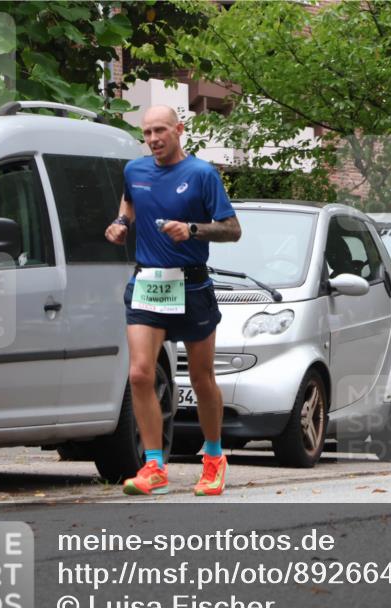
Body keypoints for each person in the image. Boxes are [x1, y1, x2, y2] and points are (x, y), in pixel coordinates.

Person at [104, 105, 241, 496]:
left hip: (192, 286)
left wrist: (193, 229)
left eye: (160, 130)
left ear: (179, 129)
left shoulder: (201, 174)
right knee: (140, 374)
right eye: (146, 133)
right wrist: (121, 223)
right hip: (147, 282)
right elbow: (129, 202)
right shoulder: (135, 171)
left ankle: (214, 458)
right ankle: (154, 466)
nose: (153, 140)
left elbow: (232, 229)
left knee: (201, 379)